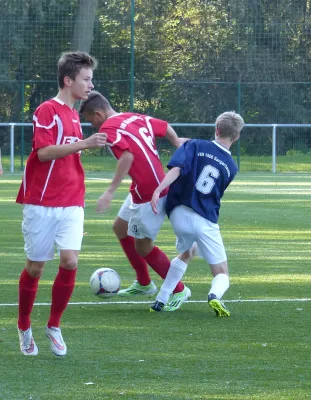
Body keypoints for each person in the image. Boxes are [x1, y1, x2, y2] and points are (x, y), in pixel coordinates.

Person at [16, 51, 107, 357]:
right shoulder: (47, 110)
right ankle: (24, 325)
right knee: (36, 266)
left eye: (91, 79)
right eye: (86, 79)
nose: (90, 84)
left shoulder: (74, 115)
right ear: (68, 81)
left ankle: (54, 325)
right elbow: (42, 153)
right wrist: (83, 144)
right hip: (41, 201)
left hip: (71, 200)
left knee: (70, 260)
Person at [79, 90, 191, 311]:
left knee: (143, 246)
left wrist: (109, 192)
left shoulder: (108, 128)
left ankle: (178, 289)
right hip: (142, 187)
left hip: (151, 191)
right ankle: (144, 283)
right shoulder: (134, 117)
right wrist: (176, 141)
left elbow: (127, 156)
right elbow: (164, 126)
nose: (91, 124)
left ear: (99, 114)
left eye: (90, 119)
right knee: (120, 227)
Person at [150, 111, 245, 316]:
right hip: (205, 220)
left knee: (188, 252)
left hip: (178, 214)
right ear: (236, 137)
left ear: (216, 129)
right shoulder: (231, 167)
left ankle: (161, 300)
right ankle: (214, 296)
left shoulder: (194, 145)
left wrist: (158, 190)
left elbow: (177, 169)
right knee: (221, 272)